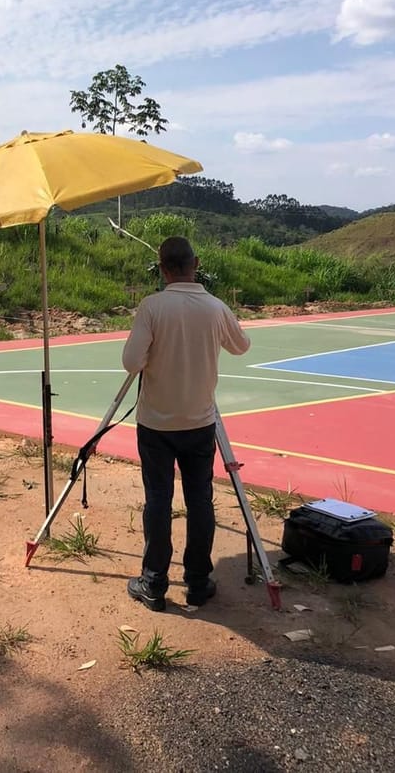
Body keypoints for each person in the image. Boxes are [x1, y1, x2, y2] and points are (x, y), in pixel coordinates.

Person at [122, 236, 250, 611]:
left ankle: (154, 582)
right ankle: (197, 581)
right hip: (199, 422)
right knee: (200, 500)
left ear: (162, 269)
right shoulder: (214, 307)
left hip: (156, 423)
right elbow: (241, 345)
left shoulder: (152, 307)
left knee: (158, 500)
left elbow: (132, 362)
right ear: (196, 262)